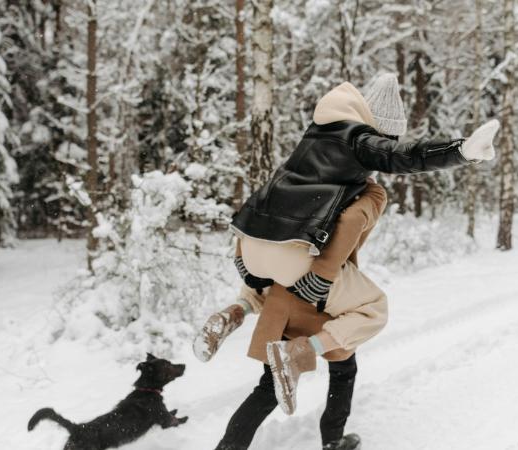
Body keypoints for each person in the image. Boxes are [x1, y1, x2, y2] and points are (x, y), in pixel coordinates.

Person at [199, 74, 499, 450]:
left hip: (257, 248)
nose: (379, 155)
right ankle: (311, 383)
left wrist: (244, 259)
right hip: (311, 279)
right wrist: (460, 151)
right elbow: (397, 163)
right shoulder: (362, 160)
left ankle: (239, 315)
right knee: (372, 310)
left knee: (275, 382)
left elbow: (272, 197)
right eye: (384, 141)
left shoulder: (313, 140)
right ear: (376, 131)